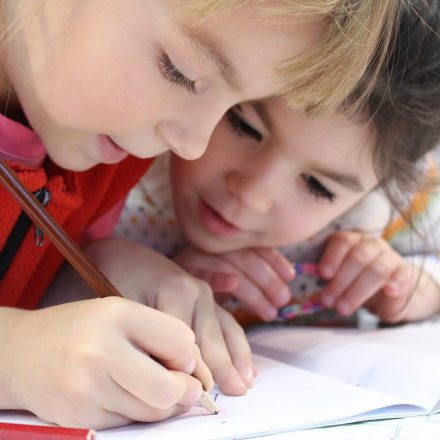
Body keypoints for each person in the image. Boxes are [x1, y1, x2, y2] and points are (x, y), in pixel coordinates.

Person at [0, 0, 399, 430]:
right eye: (180, 72)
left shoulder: (106, 154)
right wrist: (16, 354)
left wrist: (82, 278)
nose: (192, 146)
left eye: (233, 107)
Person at [115, 0, 440, 328]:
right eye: (243, 126)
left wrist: (417, 286)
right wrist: (144, 279)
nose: (252, 195)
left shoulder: (389, 210)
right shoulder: (119, 162)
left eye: (317, 186)